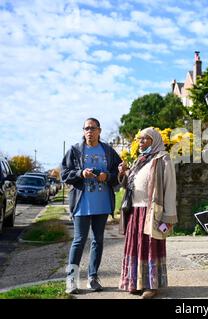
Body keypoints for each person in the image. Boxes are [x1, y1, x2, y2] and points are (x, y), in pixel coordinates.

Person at [61, 117, 122, 294]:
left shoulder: (108, 151)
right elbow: (64, 174)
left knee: (98, 241)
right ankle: (71, 280)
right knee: (79, 240)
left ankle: (92, 278)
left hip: (102, 204)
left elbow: (118, 173)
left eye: (93, 128)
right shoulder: (75, 150)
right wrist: (81, 173)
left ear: (99, 131)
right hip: (82, 203)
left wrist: (107, 177)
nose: (89, 131)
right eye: (86, 128)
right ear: (83, 131)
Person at [118, 127, 178, 299]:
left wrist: (168, 216)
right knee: (136, 247)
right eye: (140, 139)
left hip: (152, 211)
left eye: (145, 139)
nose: (141, 142)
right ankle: (136, 282)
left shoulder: (163, 159)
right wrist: (124, 173)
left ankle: (151, 285)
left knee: (150, 247)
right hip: (135, 211)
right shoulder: (140, 159)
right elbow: (130, 184)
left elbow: (170, 188)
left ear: (155, 140)